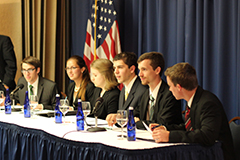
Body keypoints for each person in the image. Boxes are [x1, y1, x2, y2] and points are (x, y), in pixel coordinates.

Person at [151, 62, 235, 160]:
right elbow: (190, 127)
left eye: (170, 86)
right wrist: (165, 129)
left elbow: (206, 135)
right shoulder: (193, 99)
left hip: (217, 155)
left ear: (179, 87)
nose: (169, 89)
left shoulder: (208, 103)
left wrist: (170, 136)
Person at [134, 52, 183, 129]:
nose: (140, 74)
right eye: (139, 70)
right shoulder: (146, 93)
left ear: (157, 70)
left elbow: (161, 123)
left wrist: (137, 123)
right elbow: (135, 113)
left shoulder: (170, 94)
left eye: (144, 69)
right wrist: (120, 116)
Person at [106, 52, 148, 126]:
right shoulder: (123, 90)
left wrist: (118, 117)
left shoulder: (143, 90)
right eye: (114, 68)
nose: (116, 72)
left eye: (120, 67)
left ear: (132, 69)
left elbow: (139, 117)